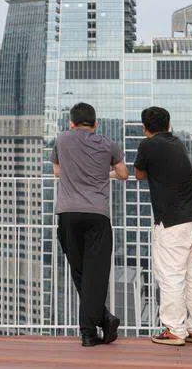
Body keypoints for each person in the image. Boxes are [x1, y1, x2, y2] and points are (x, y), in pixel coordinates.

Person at [51, 102, 128, 347]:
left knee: (79, 271)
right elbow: (124, 174)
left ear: (71, 123)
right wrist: (105, 174)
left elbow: (57, 172)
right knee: (96, 273)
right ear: (96, 124)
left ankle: (98, 325)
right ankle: (93, 328)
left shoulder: (62, 140)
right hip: (97, 214)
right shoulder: (108, 144)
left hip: (68, 214)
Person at [133, 106, 192, 347]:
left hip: (172, 221)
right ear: (169, 124)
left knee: (171, 276)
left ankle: (175, 330)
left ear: (145, 128)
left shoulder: (148, 145)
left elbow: (139, 174)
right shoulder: (178, 143)